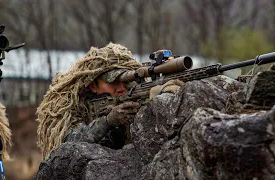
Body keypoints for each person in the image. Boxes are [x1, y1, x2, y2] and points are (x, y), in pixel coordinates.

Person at [37, 43, 183, 159]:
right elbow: (68, 143)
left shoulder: (137, 91)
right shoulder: (73, 104)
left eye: (126, 81)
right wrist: (108, 121)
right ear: (93, 85)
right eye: (114, 82)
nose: (121, 88)